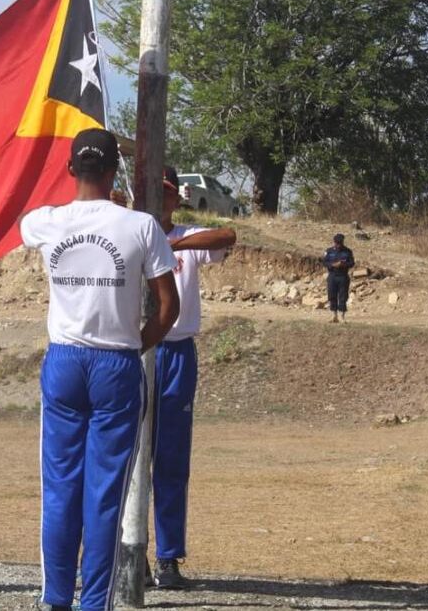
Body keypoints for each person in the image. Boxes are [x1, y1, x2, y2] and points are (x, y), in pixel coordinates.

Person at [20, 128, 180, 611]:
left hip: (65, 359)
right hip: (116, 360)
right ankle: (95, 603)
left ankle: (54, 599)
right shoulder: (141, 226)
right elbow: (166, 306)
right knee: (106, 492)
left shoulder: (45, 222)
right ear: (116, 172)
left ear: (70, 169)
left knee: (60, 488)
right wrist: (137, 345)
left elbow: (24, 224)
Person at [149, 166, 236, 589]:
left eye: (167, 192)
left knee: (171, 459)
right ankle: (128, 551)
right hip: (138, 352)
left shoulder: (184, 236)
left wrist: (173, 243)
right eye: (155, 192)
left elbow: (227, 236)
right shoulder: (129, 231)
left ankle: (168, 558)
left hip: (177, 352)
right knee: (129, 459)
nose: (161, 199)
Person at [322, 233, 355, 323]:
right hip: (332, 276)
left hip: (343, 276)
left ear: (342, 242)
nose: (338, 245)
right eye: (336, 243)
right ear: (334, 242)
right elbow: (324, 262)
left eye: (339, 243)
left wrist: (342, 264)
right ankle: (334, 316)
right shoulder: (329, 251)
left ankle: (342, 316)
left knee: (343, 296)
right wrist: (333, 265)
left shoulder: (348, 251)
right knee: (332, 295)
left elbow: (352, 263)